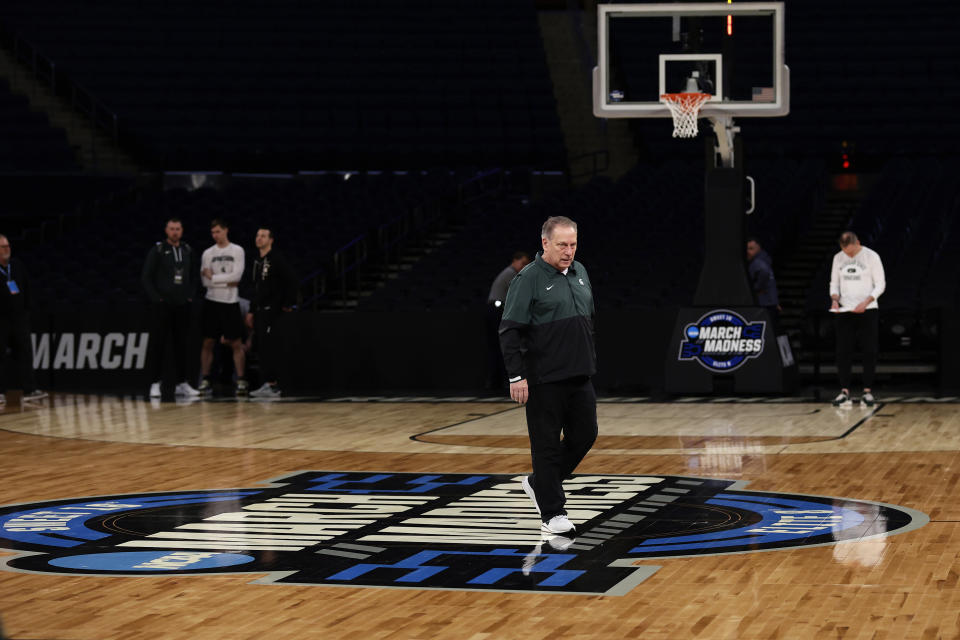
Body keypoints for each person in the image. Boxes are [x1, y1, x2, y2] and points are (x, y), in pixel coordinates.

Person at [499, 216, 597, 536]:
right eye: (562, 245)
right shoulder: (527, 279)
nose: (569, 251)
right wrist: (517, 376)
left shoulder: (580, 272)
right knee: (546, 446)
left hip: (579, 374)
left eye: (573, 244)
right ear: (545, 244)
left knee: (585, 435)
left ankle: (539, 484)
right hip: (543, 378)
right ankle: (552, 513)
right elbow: (510, 330)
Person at [141, 218, 200, 398]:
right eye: (172, 229)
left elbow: (194, 276)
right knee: (158, 345)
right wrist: (157, 299)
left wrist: (190, 296)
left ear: (182, 231)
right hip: (162, 306)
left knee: (182, 345)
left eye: (178, 229)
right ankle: (155, 383)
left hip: (182, 305)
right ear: (166, 231)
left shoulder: (187, 250)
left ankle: (182, 383)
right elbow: (146, 277)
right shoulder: (158, 250)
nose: (175, 232)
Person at [829, 231, 885, 407]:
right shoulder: (838, 258)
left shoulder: (871, 256)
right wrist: (835, 299)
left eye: (851, 252)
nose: (849, 255)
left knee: (869, 350)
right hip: (845, 310)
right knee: (843, 351)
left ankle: (867, 390)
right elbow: (834, 282)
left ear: (858, 242)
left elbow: (880, 284)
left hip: (867, 310)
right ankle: (844, 390)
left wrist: (866, 301)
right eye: (846, 252)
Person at [246, 227, 298, 398]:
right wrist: (251, 310)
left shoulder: (276, 259)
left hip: (272, 311)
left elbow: (290, 280)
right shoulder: (256, 261)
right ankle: (267, 383)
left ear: (271, 240)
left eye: (263, 236)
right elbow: (256, 288)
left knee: (270, 348)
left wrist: (287, 303)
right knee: (261, 348)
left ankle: (273, 385)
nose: (259, 238)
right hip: (260, 311)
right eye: (257, 235)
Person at [199, 219, 247, 396]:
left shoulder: (237, 250)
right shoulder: (207, 253)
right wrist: (223, 280)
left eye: (218, 231)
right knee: (208, 342)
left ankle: (241, 380)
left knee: (236, 343)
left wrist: (214, 278)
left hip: (230, 302)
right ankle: (206, 379)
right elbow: (204, 281)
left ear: (226, 230)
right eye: (213, 233)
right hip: (211, 302)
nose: (215, 235)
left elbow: (237, 277)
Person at [0, 235, 47, 404]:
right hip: (1, 320)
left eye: (8, 246)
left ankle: (29, 389)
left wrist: (26, 310)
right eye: (3, 247)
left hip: (19, 318)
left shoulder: (17, 266)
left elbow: (27, 287)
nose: (7, 249)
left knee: (25, 353)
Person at [485, 251, 531, 389]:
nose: (523, 267)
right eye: (522, 264)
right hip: (497, 311)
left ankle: (497, 382)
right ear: (514, 261)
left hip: (496, 310)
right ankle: (499, 382)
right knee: (504, 346)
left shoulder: (509, 273)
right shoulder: (511, 274)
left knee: (499, 348)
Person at [746, 237, 781, 323]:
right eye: (747, 248)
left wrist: (755, 289)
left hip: (764, 304)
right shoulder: (764, 260)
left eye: (751, 249)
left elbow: (764, 273)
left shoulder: (757, 262)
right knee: (775, 329)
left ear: (759, 248)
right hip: (770, 302)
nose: (748, 251)